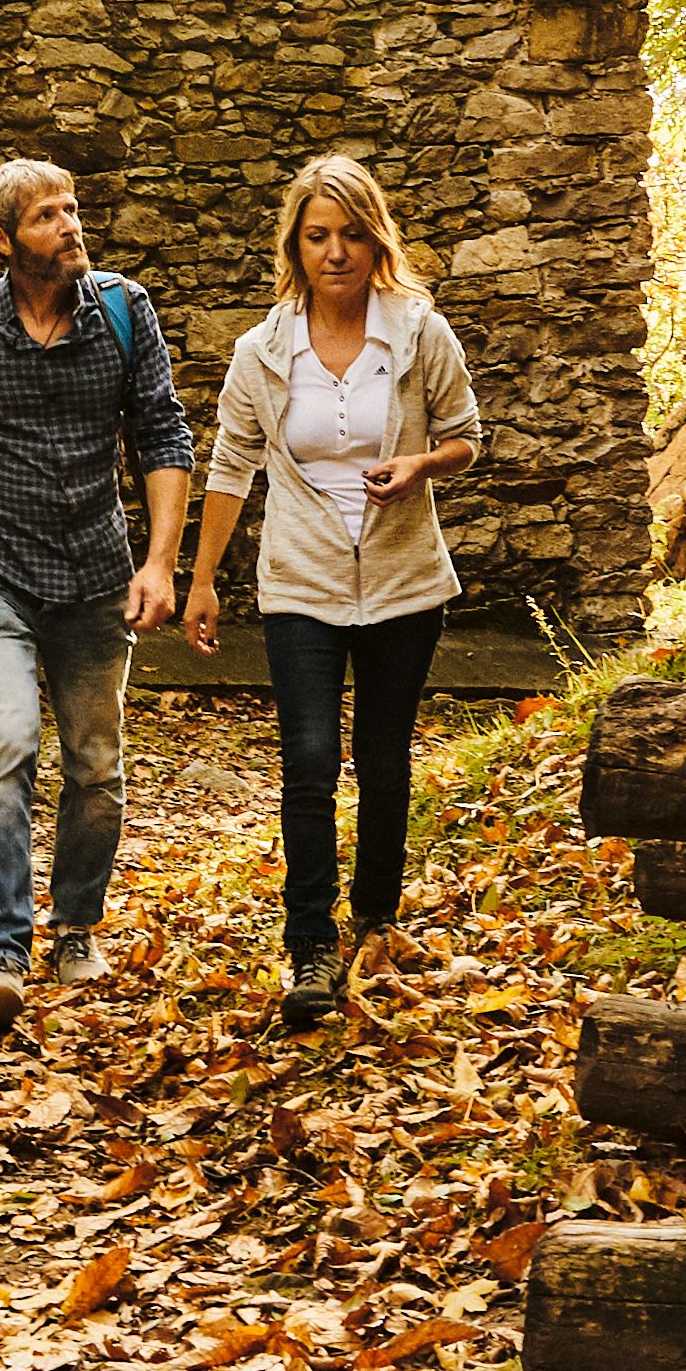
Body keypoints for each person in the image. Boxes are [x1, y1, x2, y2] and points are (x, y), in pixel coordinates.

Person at [0, 155, 196, 1031]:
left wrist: (160, 562)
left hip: (97, 575)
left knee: (96, 767)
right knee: (7, 737)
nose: (71, 226)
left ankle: (77, 928)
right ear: (2, 239)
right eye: (47, 216)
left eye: (73, 208)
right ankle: (0, 952)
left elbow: (163, 433)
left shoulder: (126, 313)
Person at [176, 155, 484, 1033]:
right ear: (296, 244)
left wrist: (420, 462)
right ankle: (311, 944)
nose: (337, 252)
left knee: (384, 763)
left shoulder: (420, 332)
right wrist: (202, 580)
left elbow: (467, 436)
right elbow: (232, 463)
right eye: (318, 236)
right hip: (301, 581)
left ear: (375, 238)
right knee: (309, 761)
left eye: (352, 234)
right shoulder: (263, 350)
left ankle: (377, 920)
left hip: (403, 580)